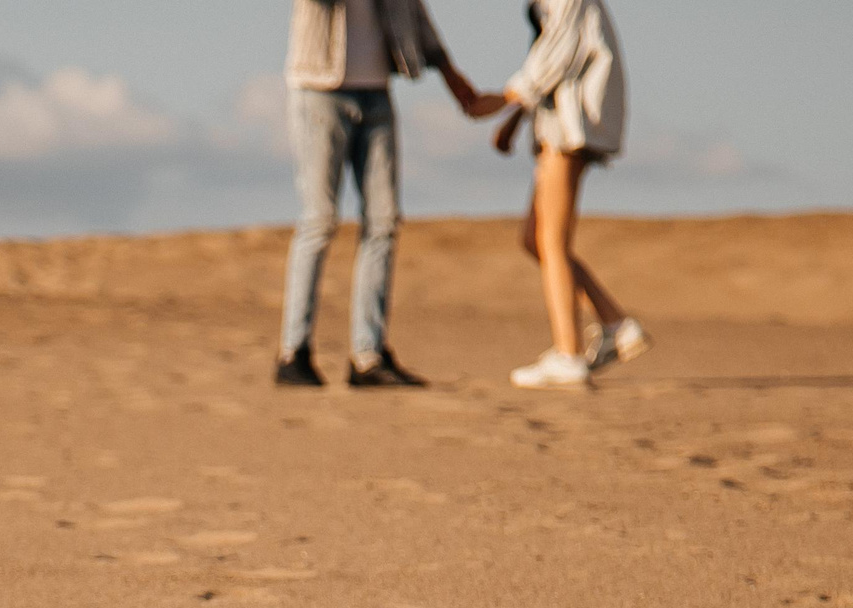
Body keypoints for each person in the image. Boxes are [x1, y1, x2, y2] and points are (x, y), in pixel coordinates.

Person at [277, 0, 496, 388]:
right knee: (320, 219)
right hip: (318, 87)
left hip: (376, 91)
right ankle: (293, 353)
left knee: (383, 220)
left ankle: (368, 356)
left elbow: (413, 10)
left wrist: (447, 69)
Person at [491, 0, 646, 388]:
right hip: (557, 124)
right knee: (535, 238)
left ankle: (569, 353)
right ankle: (615, 323)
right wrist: (515, 118)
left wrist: (508, 97)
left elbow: (559, 52)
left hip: (569, 126)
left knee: (552, 241)